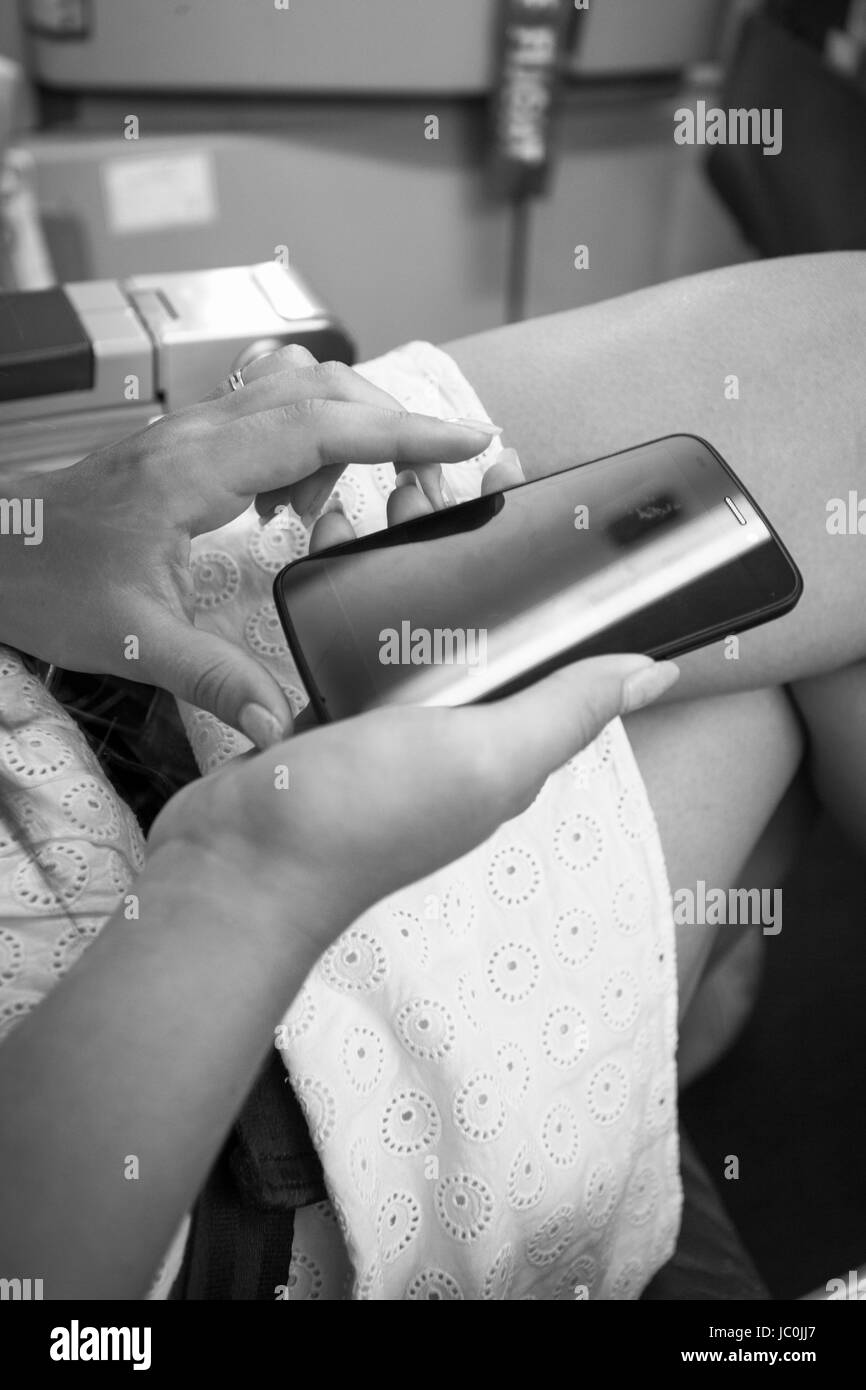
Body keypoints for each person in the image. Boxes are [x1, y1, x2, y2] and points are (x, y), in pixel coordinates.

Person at [0, 250, 862, 1299]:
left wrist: (21, 531)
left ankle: (688, 1002)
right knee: (766, 666)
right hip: (184, 1061)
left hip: (63, 644)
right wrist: (244, 874)